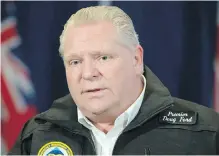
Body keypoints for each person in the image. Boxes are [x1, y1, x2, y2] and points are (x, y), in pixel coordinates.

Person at [8, 5, 219, 155]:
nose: (88, 73)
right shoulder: (36, 137)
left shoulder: (206, 133)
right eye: (75, 62)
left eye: (103, 57)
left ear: (136, 59)